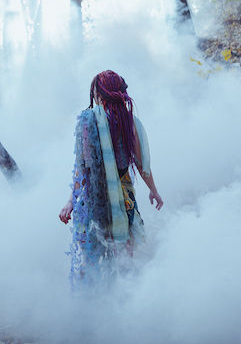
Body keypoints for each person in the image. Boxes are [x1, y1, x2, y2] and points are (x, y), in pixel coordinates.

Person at [59, 70, 164, 290]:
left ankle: (90, 310)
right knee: (125, 259)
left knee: (90, 262)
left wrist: (71, 200)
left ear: (98, 93)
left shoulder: (88, 122)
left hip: (93, 200)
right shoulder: (130, 123)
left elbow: (83, 168)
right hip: (123, 201)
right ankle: (127, 309)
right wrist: (153, 190)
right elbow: (141, 164)